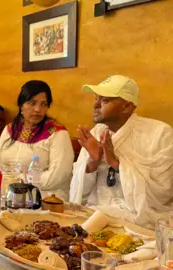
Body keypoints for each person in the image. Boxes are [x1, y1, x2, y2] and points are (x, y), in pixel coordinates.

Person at [70, 75, 173, 229]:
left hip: (139, 220)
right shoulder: (97, 132)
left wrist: (117, 164)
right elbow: (79, 195)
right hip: (97, 214)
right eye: (96, 98)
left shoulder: (159, 134)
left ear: (126, 106)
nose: (95, 105)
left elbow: (162, 193)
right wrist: (93, 161)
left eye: (105, 100)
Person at [0, 80, 74, 201]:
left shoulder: (58, 133)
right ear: (21, 105)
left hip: (45, 199)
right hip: (8, 196)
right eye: (32, 103)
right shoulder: (10, 129)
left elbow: (57, 177)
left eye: (43, 104)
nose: (37, 109)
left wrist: (17, 180)